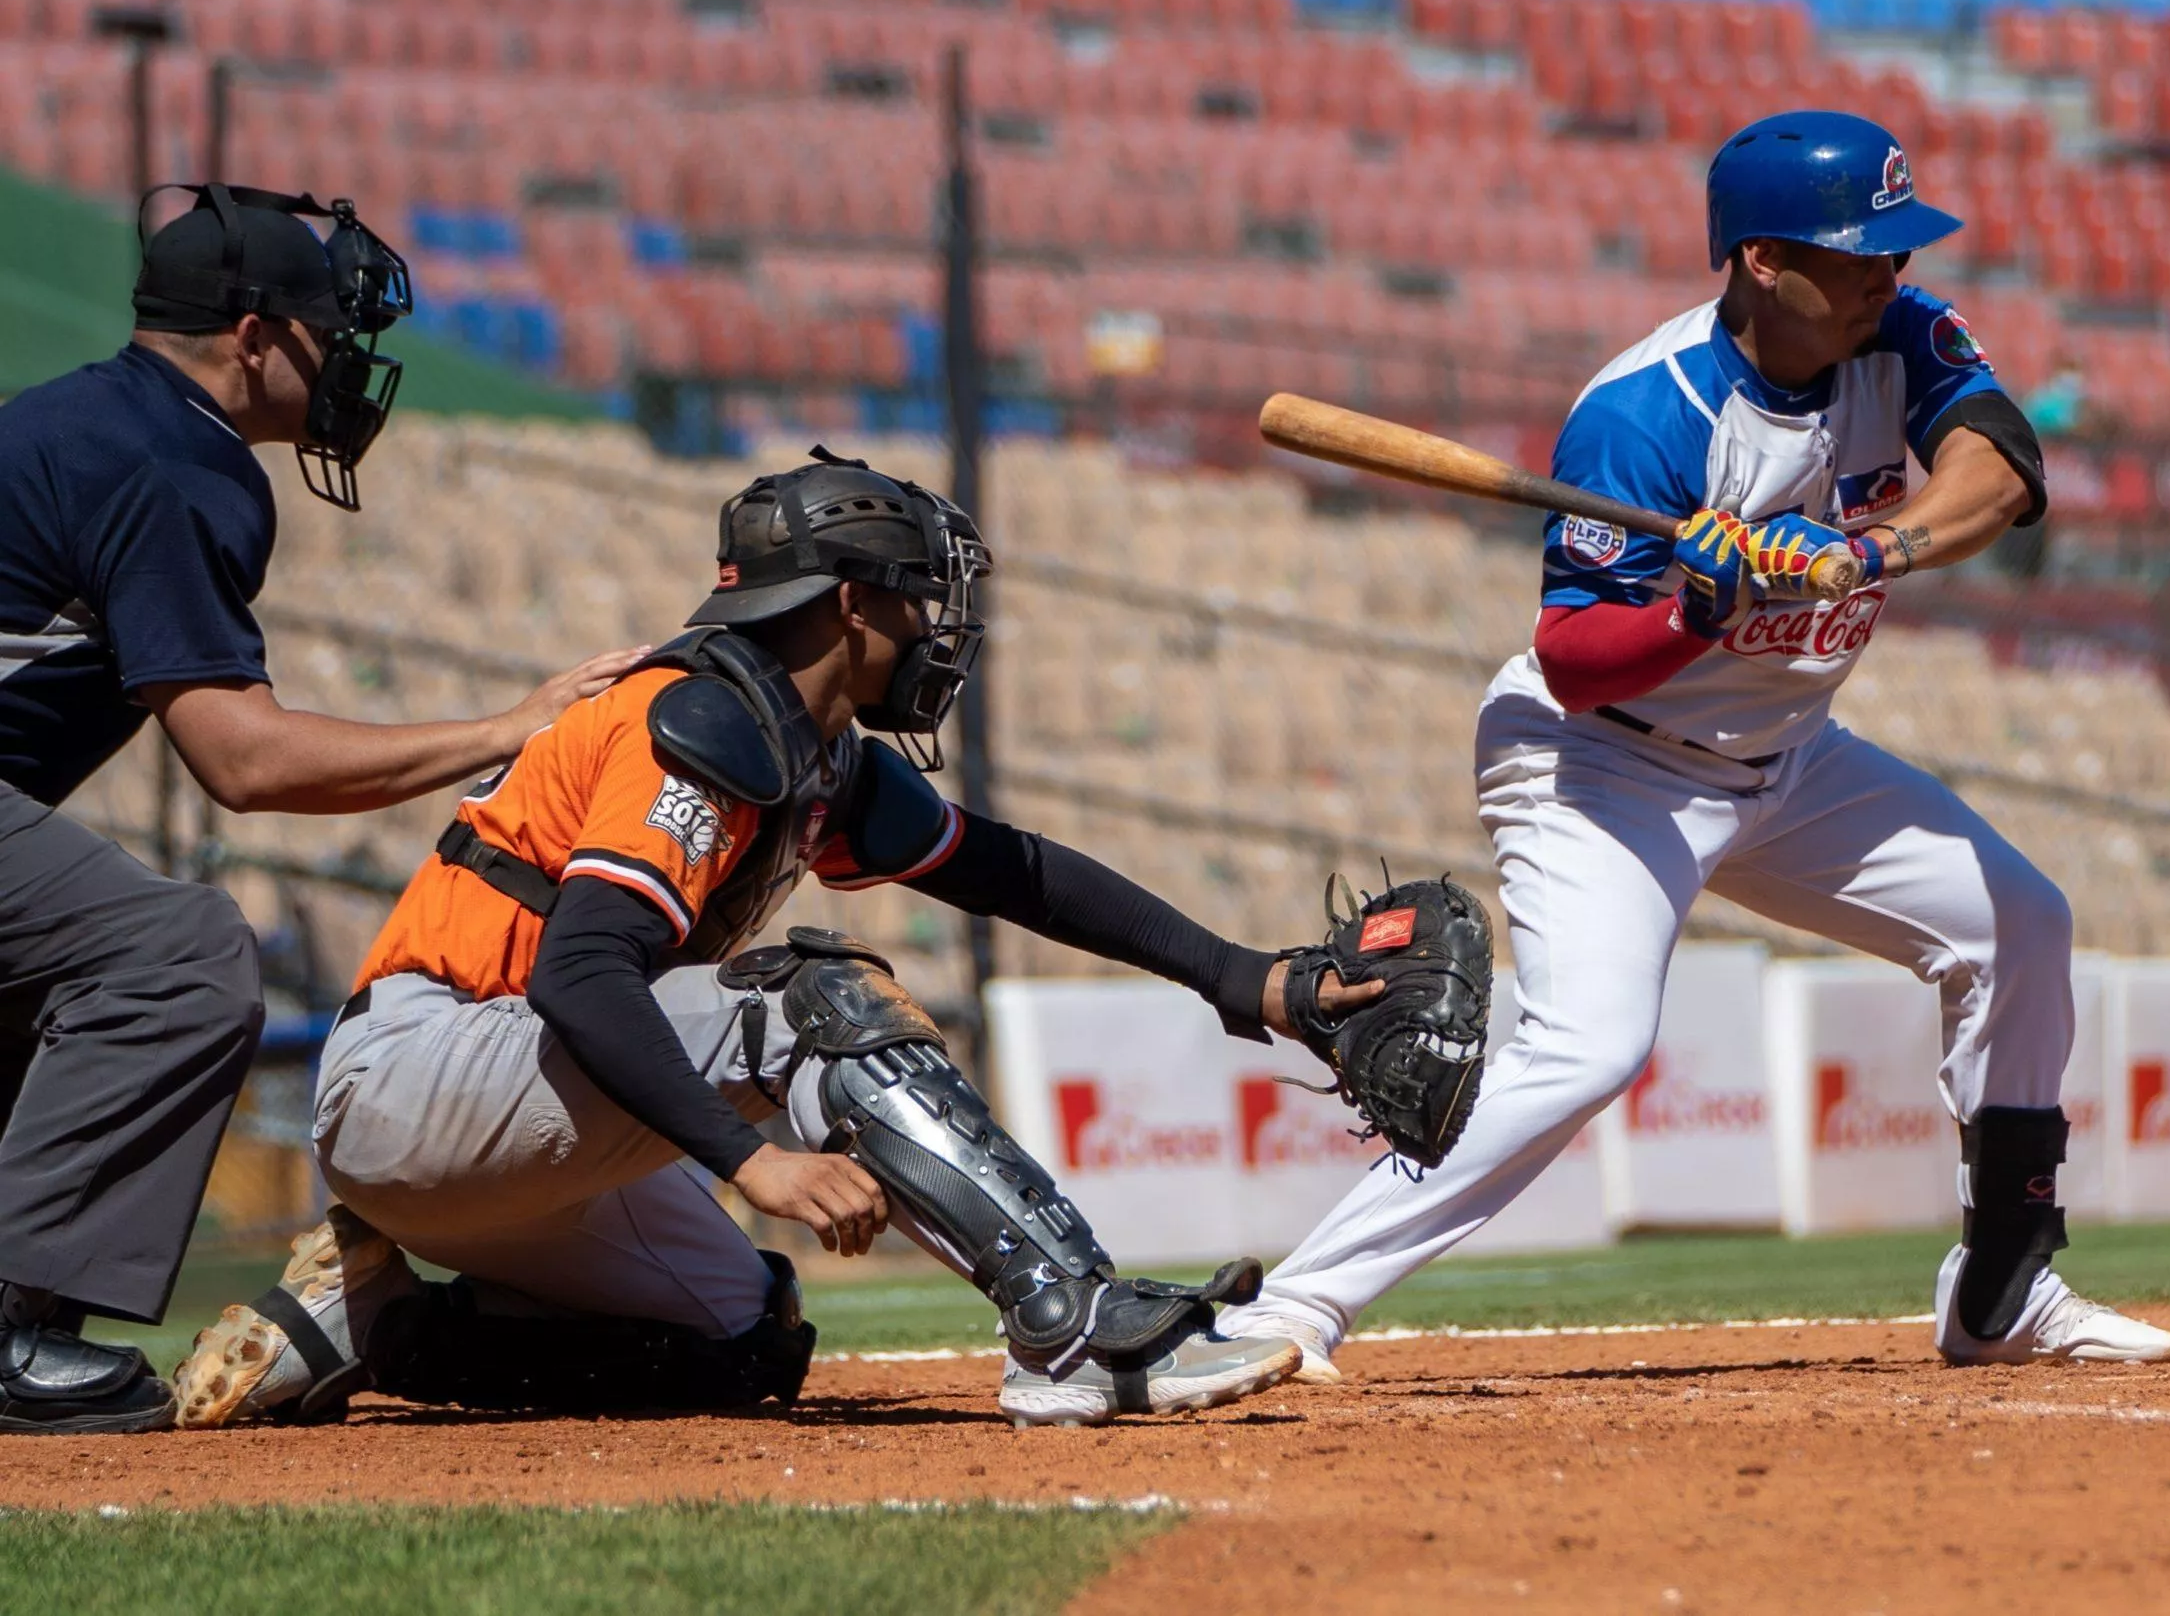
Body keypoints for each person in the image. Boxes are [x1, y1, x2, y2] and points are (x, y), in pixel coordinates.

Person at [1220, 112, 2170, 1379]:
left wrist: (1859, 553)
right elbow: (1572, 663)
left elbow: (1999, 469)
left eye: (1895, 252)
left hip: (1785, 755)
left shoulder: (1898, 331)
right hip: (1606, 767)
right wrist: (1698, 608)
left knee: (2020, 924)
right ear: (1763, 262)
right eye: (1859, 256)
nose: (1888, 276)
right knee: (1590, 1048)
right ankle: (1291, 1308)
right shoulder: (1642, 416)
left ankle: (2002, 1288)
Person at [172, 453, 1378, 1430]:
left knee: (745, 1340)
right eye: (914, 596)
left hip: (516, 1125)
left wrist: (1245, 979)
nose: (932, 628)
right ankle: (1071, 1327)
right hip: (415, 1078)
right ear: (848, 603)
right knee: (818, 997)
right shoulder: (694, 719)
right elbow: (582, 971)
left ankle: (369, 1327)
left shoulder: (812, 746)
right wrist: (753, 1167)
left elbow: (1014, 872)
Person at [0, 184, 637, 1435]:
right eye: (326, 332)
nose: (347, 362)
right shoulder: (171, 459)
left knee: (40, 974)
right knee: (174, 956)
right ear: (252, 335)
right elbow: (244, 763)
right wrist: (506, 727)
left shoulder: (87, 420)